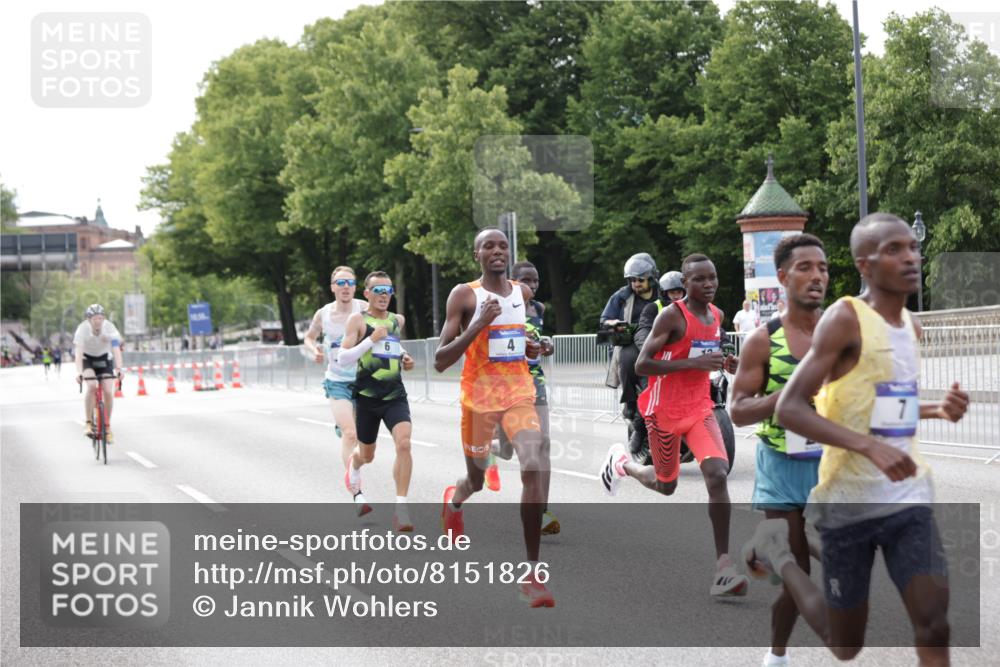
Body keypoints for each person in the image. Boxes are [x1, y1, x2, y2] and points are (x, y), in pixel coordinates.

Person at [744, 213, 970, 665]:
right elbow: (789, 407)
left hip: (907, 500)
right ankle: (778, 553)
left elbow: (881, 408)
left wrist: (935, 409)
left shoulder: (911, 326)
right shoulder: (844, 319)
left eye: (912, 247)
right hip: (846, 503)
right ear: (865, 265)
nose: (910, 257)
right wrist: (867, 447)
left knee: (934, 623)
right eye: (894, 250)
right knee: (844, 645)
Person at [600, 253, 747, 598]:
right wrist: (691, 362)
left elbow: (709, 350)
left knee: (717, 474)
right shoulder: (671, 316)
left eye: (712, 278)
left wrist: (727, 361)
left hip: (699, 408)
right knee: (666, 486)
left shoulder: (716, 315)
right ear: (685, 283)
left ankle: (724, 567)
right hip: (664, 410)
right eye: (700, 279)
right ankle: (623, 465)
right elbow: (642, 364)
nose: (708, 284)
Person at [434, 228, 553, 608]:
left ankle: (532, 574)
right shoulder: (464, 295)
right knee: (477, 479)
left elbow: (517, 341)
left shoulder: (523, 292)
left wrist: (536, 347)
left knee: (533, 462)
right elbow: (440, 360)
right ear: (477, 255)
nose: (497, 251)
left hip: (519, 395)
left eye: (503, 245)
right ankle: (455, 501)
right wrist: (477, 324)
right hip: (479, 401)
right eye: (489, 246)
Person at [729, 234, 829, 667]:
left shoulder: (840, 334)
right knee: (799, 573)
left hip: (831, 464)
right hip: (781, 463)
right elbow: (736, 411)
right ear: (784, 277)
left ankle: (758, 548)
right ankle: (777, 654)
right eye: (805, 267)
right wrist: (787, 396)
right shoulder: (763, 341)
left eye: (823, 268)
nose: (817, 276)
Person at [484, 261, 560, 536]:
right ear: (512, 282)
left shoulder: (538, 309)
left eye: (536, 281)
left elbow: (538, 343)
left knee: (544, 446)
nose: (533, 286)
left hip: (535, 385)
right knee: (506, 451)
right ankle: (487, 449)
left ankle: (542, 511)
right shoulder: (500, 307)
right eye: (526, 281)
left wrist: (545, 346)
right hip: (507, 388)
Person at [337, 271, 416, 531]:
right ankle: (355, 465)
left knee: (404, 444)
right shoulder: (357, 320)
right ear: (367, 293)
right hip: (368, 397)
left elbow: (391, 347)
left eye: (388, 290)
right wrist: (370, 339)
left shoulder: (397, 320)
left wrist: (405, 357)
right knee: (367, 455)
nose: (384, 295)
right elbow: (343, 358)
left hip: (394, 395)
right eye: (378, 290)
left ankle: (401, 509)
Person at [303, 266, 368, 484]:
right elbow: (309, 337)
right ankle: (356, 488)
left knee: (361, 437)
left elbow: (386, 331)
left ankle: (346, 431)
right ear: (333, 287)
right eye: (341, 283)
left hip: (363, 380)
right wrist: (314, 350)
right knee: (350, 434)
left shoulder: (365, 308)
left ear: (355, 287)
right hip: (337, 380)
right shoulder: (323, 314)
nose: (346, 287)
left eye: (350, 283)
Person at [74, 304, 124, 444]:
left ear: (104, 318)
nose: (98, 321)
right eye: (95, 318)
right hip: (87, 359)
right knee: (91, 386)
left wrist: (119, 369)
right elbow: (78, 353)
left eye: (100, 318)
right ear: (89, 319)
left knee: (108, 391)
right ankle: (89, 422)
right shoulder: (82, 330)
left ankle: (107, 427)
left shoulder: (110, 328)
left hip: (104, 358)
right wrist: (79, 373)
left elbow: (116, 349)